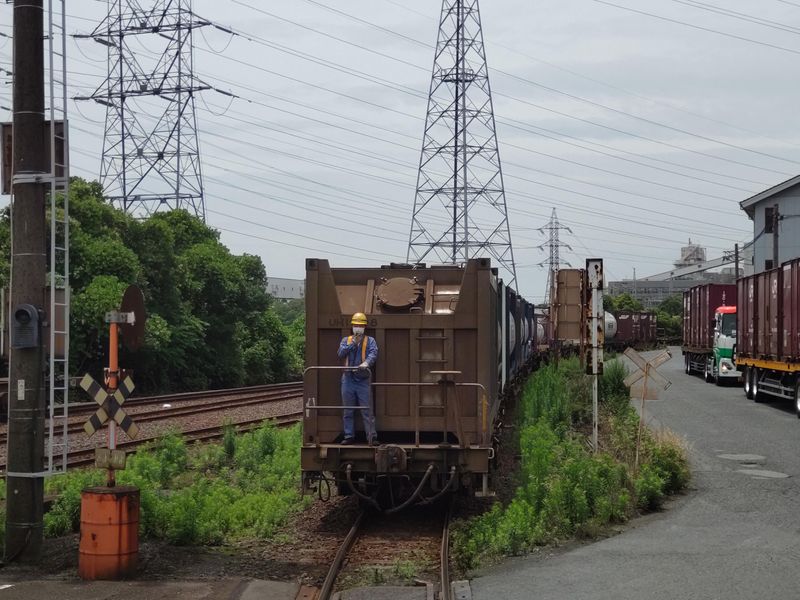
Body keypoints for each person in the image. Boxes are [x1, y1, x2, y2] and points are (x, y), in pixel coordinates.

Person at [337, 312, 379, 446]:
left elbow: (373, 353)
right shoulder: (346, 340)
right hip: (348, 379)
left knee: (367, 410)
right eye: (356, 325)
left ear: (365, 327)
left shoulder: (370, 340)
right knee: (348, 409)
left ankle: (371, 437)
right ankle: (349, 436)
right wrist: (353, 343)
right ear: (352, 326)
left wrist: (366, 363)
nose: (358, 328)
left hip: (363, 380)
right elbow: (340, 353)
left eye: (360, 325)